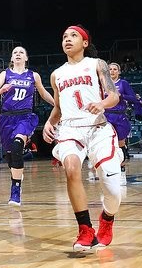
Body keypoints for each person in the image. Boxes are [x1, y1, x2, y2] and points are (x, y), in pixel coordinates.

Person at [42, 26, 121, 251]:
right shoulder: (56, 74)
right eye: (64, 36)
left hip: (97, 127)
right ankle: (86, 230)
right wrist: (50, 122)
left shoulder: (97, 64)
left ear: (85, 43)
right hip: (70, 129)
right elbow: (58, 107)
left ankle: (107, 217)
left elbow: (114, 95)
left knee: (113, 191)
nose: (67, 39)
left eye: (73, 35)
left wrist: (102, 104)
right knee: (71, 168)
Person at [0, 45, 55, 206]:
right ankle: (16, 173)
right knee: (10, 155)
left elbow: (43, 94)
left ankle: (15, 191)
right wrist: (0, 90)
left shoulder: (33, 75)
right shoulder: (5, 74)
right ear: (11, 58)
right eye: (14, 52)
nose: (17, 54)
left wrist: (58, 105)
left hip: (25, 116)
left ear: (26, 58)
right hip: (6, 118)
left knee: (17, 147)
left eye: (21, 52)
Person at [105, 62, 142, 177]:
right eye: (110, 69)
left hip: (120, 115)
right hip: (106, 116)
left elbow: (133, 99)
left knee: (120, 143)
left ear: (119, 72)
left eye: (114, 69)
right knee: (107, 143)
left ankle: (121, 165)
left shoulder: (123, 83)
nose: (112, 71)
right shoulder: (103, 84)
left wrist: (121, 95)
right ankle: (109, 166)